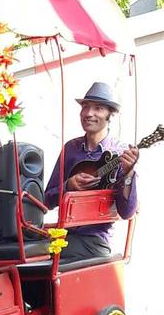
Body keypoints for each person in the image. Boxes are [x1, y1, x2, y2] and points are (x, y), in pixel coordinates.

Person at [43, 82, 139, 262]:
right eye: (85, 107)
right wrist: (68, 185)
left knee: (42, 256)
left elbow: (127, 212)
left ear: (110, 115)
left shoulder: (122, 154)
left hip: (94, 241)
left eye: (98, 108)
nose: (88, 113)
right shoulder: (70, 148)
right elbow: (47, 200)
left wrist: (128, 174)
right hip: (63, 234)